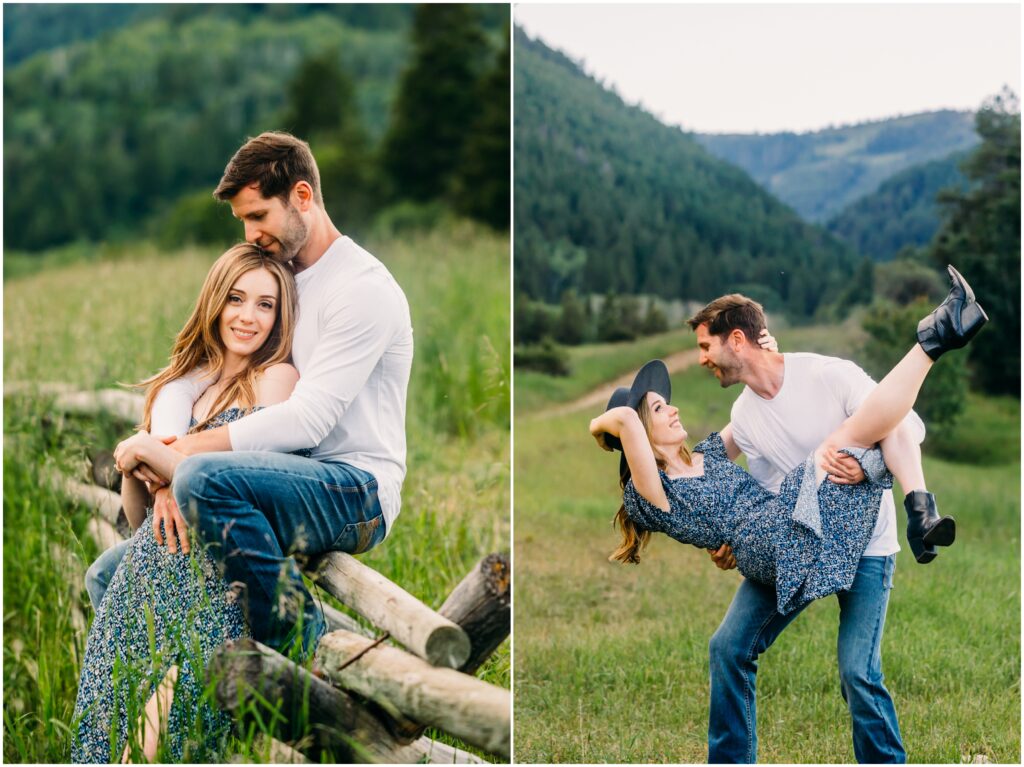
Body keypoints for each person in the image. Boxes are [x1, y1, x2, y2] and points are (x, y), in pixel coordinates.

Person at [589, 265, 986, 764]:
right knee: (837, 448)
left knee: (864, 441)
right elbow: (625, 419)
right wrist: (606, 425)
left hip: (835, 535)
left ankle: (917, 505)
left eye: (706, 348)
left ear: (737, 340)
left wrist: (760, 351)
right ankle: (933, 340)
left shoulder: (714, 450)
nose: (673, 408)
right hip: (780, 539)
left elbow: (886, 423)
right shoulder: (654, 491)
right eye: (659, 408)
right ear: (640, 437)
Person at [108, 132, 414, 656]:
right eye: (243, 222)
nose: (251, 234)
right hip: (278, 473)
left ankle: (305, 656)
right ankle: (177, 706)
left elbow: (309, 420)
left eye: (258, 216)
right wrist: (164, 463)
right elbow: (191, 377)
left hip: (355, 487)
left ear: (301, 197)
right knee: (109, 574)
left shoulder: (361, 289)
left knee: (203, 479)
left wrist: (177, 457)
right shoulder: (280, 276)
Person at [73, 243, 301, 762]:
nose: (248, 317)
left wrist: (160, 458)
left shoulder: (277, 381)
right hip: (146, 580)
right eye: (237, 299)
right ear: (214, 301)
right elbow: (141, 523)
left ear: (280, 315)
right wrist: (142, 471)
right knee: (107, 740)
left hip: (212, 589)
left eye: (265, 304)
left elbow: (238, 484)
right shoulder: (182, 390)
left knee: (160, 745)